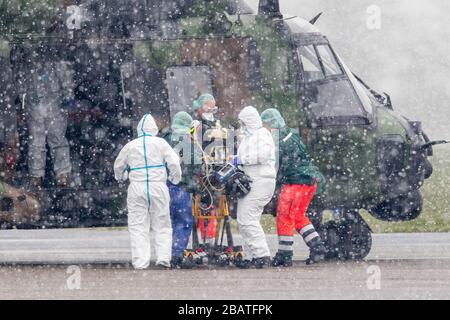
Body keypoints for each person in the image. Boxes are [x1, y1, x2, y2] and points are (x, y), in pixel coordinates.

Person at [114, 114, 182, 269]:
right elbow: (174, 162)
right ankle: (164, 258)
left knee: (138, 225)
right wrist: (175, 178)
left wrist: (120, 177)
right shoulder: (161, 143)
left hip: (137, 187)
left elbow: (118, 165)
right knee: (162, 223)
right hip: (158, 186)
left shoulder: (131, 145)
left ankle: (140, 262)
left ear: (139, 129)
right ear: (154, 129)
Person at [261, 108, 326, 266]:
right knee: (298, 216)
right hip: (310, 179)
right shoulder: (291, 134)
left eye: (264, 125)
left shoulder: (277, 139)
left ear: (270, 123)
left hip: (296, 182)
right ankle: (317, 247)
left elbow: (276, 167)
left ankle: (285, 255)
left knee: (285, 217)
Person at [26, 46, 75, 188]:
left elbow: (66, 78)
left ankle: (61, 173)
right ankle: (37, 175)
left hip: (54, 102)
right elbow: (21, 79)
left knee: (56, 138)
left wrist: (67, 96)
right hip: (37, 101)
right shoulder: (29, 57)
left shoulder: (56, 56)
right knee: (37, 140)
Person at [235, 106, 276, 269]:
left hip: (262, 180)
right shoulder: (248, 138)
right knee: (244, 219)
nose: (241, 126)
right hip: (252, 181)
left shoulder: (262, 134)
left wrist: (241, 159)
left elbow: (263, 155)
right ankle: (252, 255)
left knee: (247, 218)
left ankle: (262, 255)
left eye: (243, 122)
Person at [161, 112, 203, 269]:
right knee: (183, 221)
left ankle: (164, 255)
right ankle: (176, 254)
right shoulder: (186, 139)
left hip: (162, 186)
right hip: (180, 187)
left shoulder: (164, 137)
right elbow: (196, 162)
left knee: (166, 223)